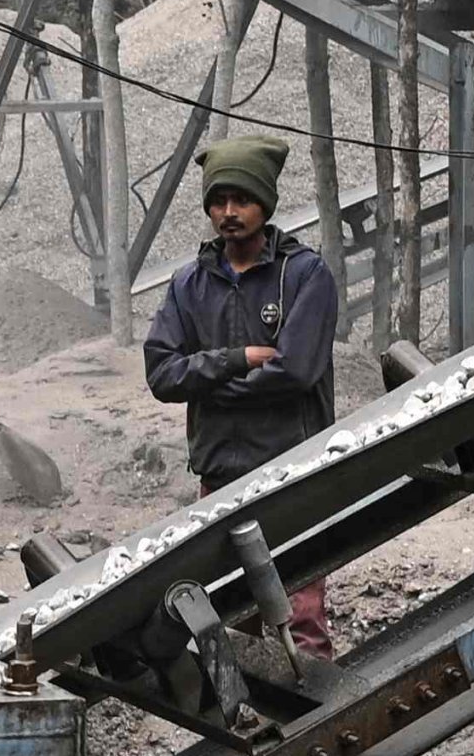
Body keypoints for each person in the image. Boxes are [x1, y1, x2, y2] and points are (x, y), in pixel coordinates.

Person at [142, 130, 339, 655]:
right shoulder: (190, 284)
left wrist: (210, 387)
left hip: (291, 472)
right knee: (231, 620)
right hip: (220, 478)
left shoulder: (305, 275)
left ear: (265, 205)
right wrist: (236, 360)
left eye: (242, 199)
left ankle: (312, 725)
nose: (229, 212)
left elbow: (296, 371)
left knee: (299, 614)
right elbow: (162, 372)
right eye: (219, 201)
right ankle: (252, 732)